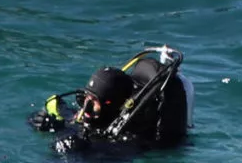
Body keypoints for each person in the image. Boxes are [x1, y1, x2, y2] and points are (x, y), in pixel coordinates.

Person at [28, 47, 190, 155]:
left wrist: (85, 148)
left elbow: (119, 151)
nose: (85, 108)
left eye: (93, 103)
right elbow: (66, 118)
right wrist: (48, 124)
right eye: (84, 99)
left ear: (111, 105)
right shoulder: (90, 113)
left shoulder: (129, 133)